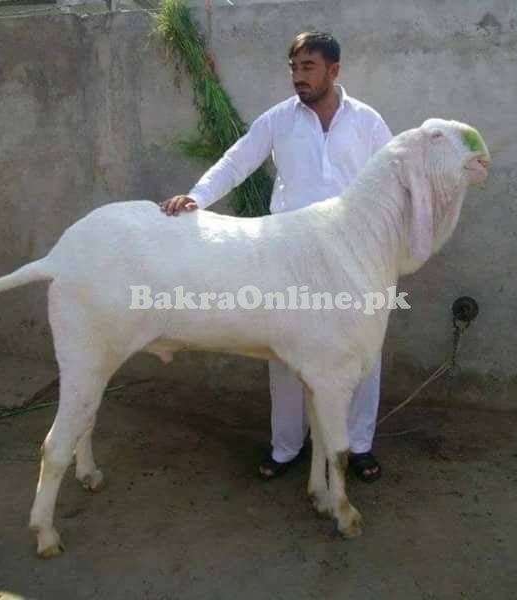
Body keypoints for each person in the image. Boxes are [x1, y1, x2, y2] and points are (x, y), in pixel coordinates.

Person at [160, 31, 393, 482]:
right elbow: (235, 161)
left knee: (363, 353)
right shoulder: (279, 120)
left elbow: (390, 177)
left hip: (352, 256)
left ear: (334, 70)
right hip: (289, 253)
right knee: (284, 351)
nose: (298, 77)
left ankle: (357, 444)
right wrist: (196, 198)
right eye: (293, 68)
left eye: (308, 67)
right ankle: (287, 445)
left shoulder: (366, 121)